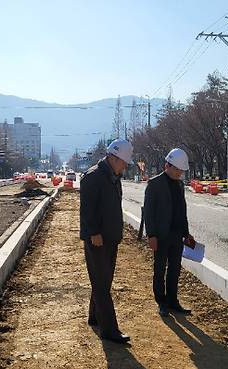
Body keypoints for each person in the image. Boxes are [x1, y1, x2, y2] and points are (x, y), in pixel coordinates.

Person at [79, 138, 133, 344]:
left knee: (103, 281)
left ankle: (95, 317)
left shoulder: (113, 176)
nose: (125, 166)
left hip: (111, 238)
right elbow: (87, 208)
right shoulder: (93, 177)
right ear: (113, 157)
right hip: (98, 239)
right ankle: (109, 329)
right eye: (123, 162)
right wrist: (93, 232)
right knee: (101, 284)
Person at [143, 148, 195, 317]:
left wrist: (186, 233)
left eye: (181, 171)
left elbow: (182, 210)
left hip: (177, 234)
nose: (179, 173)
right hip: (160, 235)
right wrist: (151, 235)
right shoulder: (155, 184)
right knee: (159, 269)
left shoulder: (179, 185)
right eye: (177, 170)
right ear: (167, 165)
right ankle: (161, 302)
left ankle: (173, 300)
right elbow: (149, 212)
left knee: (175, 269)